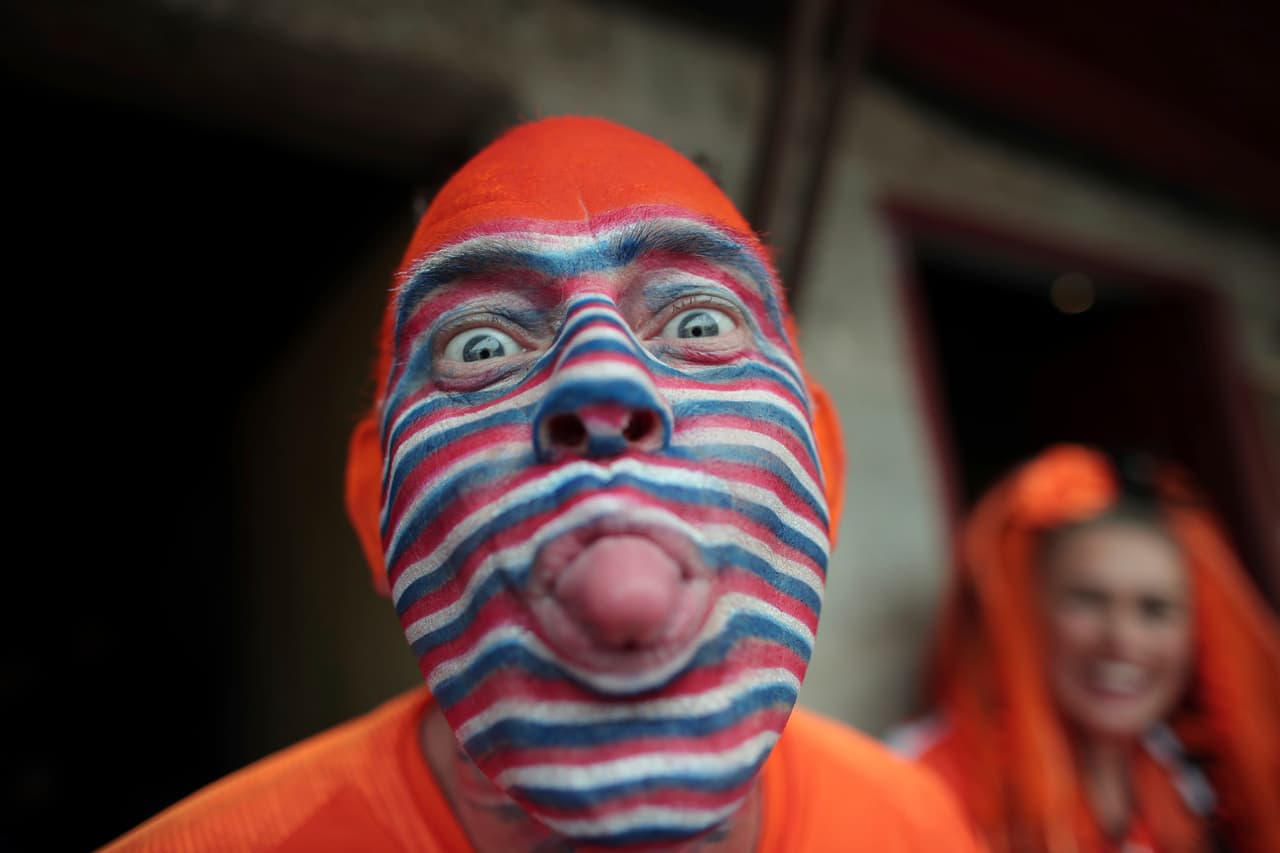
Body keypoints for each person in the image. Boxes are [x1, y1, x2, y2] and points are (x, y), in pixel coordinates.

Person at [106, 117, 978, 851]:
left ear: (822, 469)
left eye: (700, 322)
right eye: (481, 347)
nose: (601, 383)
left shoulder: (920, 825)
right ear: (379, 510)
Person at [890, 444, 1280, 852]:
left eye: (1155, 610)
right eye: (1087, 601)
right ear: (1024, 611)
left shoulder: (1197, 788)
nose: (1123, 640)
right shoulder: (924, 779)